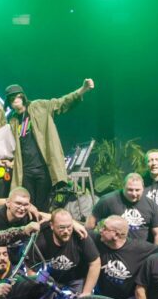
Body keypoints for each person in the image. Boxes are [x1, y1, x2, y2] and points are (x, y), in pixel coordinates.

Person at [6, 78, 94, 211]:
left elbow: (62, 102)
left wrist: (83, 89)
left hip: (43, 168)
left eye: (17, 96)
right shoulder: (13, 120)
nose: (15, 100)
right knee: (27, 206)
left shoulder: (39, 106)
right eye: (12, 98)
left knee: (42, 206)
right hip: (25, 170)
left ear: (23, 96)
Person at [87, 173, 158, 245]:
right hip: (113, 249)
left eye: (137, 190)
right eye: (130, 190)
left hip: (141, 251)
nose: (134, 194)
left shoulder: (151, 205)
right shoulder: (108, 200)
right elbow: (89, 225)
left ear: (143, 188)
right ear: (123, 187)